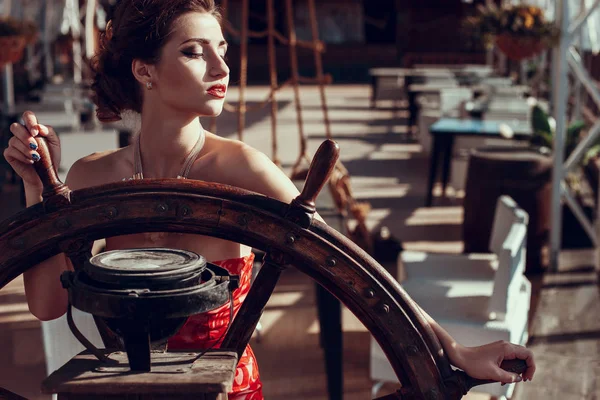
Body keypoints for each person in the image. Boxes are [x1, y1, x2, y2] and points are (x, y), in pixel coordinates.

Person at [3, 1, 535, 399]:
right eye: (194, 51)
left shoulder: (242, 168)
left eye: (222, 49)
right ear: (144, 70)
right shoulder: (90, 176)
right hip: (123, 391)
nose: (221, 68)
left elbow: (352, 268)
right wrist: (35, 185)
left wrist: (455, 351)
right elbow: (49, 307)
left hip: (227, 392)